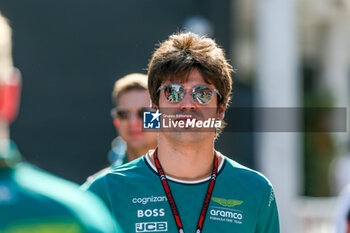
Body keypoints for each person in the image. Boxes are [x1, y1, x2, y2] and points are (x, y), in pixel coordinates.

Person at [87, 32, 279, 233]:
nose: (187, 104)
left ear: (220, 109)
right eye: (173, 92)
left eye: (202, 93)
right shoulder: (106, 191)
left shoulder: (256, 191)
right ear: (156, 106)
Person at [0, 13, 123, 233]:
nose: (135, 123)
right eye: (125, 114)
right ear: (10, 94)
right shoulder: (78, 217)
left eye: (144, 114)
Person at [82, 73, 157, 187]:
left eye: (143, 113)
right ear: (116, 121)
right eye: (123, 114)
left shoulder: (190, 180)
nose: (132, 122)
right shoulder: (97, 188)